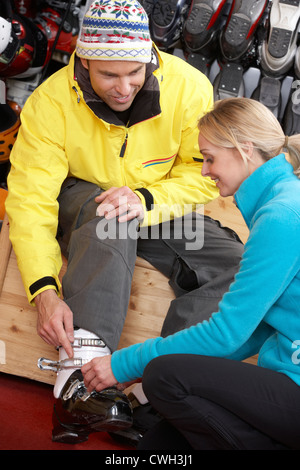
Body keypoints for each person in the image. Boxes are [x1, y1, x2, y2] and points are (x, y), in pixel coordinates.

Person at [5, 0, 244, 443]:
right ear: (84, 61)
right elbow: (31, 200)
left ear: (151, 53)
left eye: (135, 72)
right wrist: (42, 289)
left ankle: (162, 383)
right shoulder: (51, 101)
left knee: (235, 264)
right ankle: (81, 382)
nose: (124, 87)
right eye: (109, 75)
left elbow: (202, 175)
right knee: (108, 215)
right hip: (82, 194)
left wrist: (149, 198)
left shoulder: (190, 87)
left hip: (157, 201)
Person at [81, 97, 300, 450]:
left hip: (294, 388)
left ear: (244, 150)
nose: (203, 171)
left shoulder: (283, 215)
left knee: (165, 378)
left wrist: (125, 364)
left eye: (209, 158)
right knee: (157, 445)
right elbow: (254, 333)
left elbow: (227, 333)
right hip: (285, 379)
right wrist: (141, 367)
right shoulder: (281, 202)